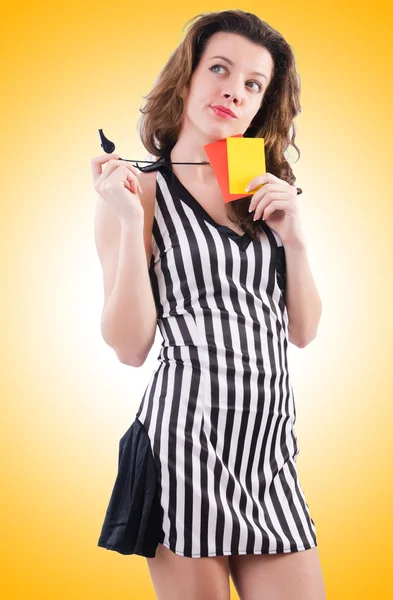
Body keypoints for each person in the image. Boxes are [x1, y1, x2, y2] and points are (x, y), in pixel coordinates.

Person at [91, 8, 326, 600]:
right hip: (184, 446)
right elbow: (129, 346)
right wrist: (127, 225)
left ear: (263, 104)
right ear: (187, 77)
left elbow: (303, 331)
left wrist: (296, 238)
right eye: (219, 68)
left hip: (268, 451)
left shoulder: (262, 189)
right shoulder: (137, 190)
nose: (233, 90)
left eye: (253, 83)